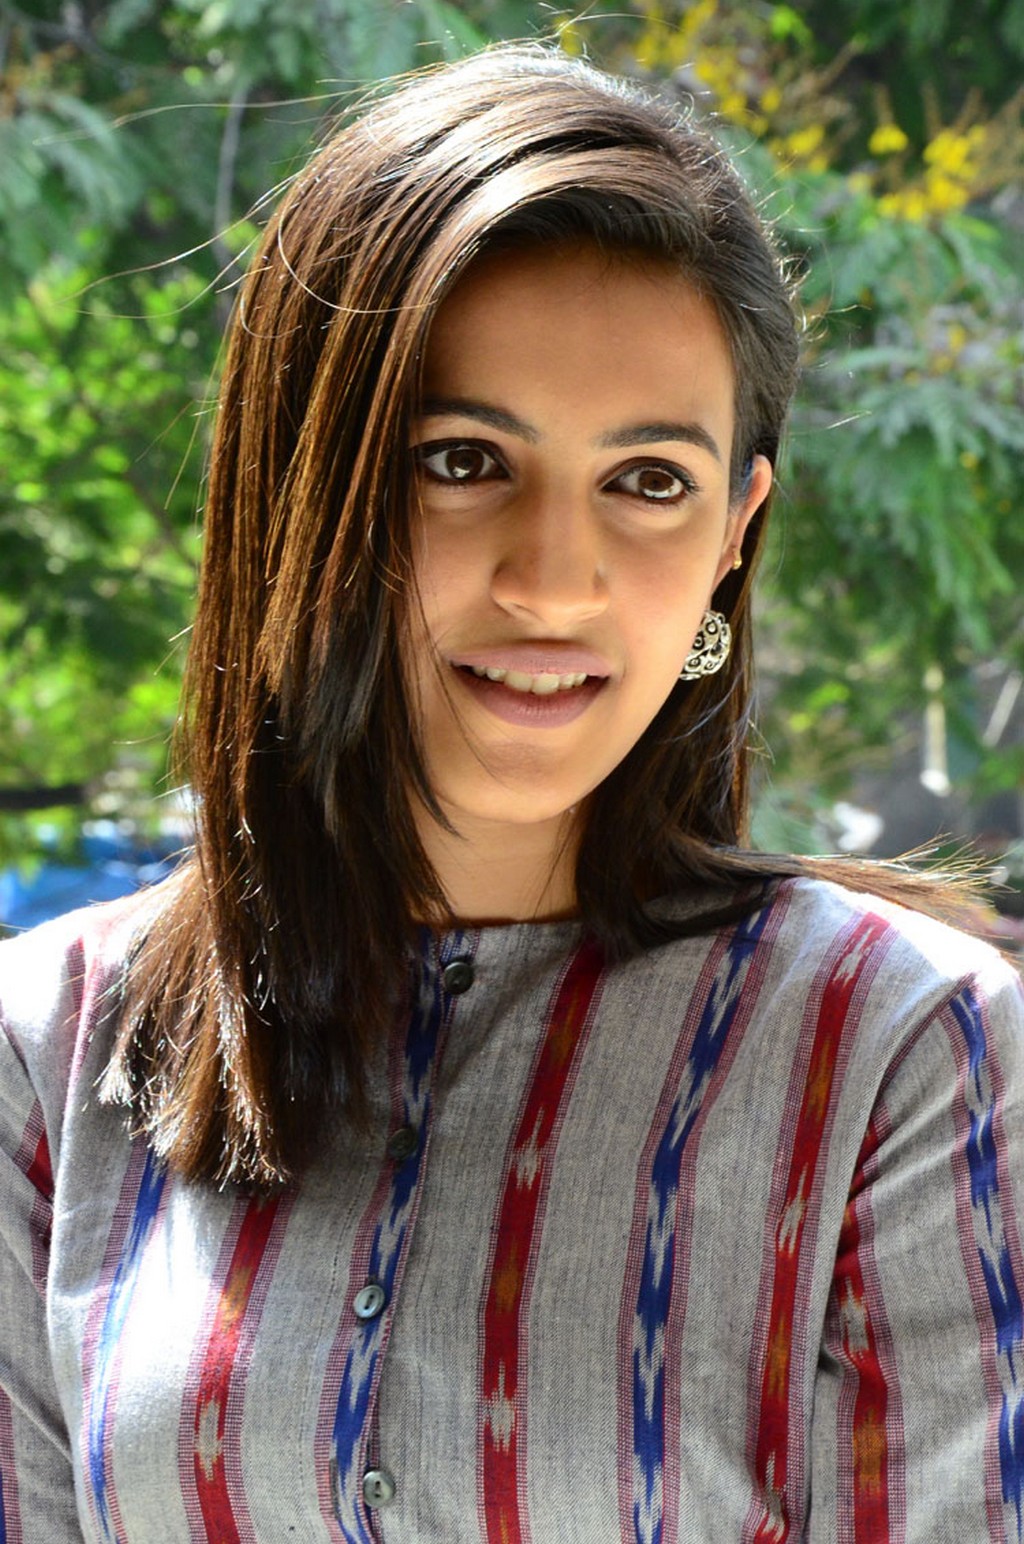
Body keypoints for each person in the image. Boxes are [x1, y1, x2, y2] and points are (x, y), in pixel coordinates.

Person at [1, 42, 1022, 1544]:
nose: (554, 580)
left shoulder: (905, 1056)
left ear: (736, 532)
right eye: (462, 460)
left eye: (650, 481)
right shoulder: (47, 1051)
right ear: (302, 484)